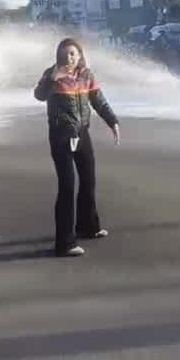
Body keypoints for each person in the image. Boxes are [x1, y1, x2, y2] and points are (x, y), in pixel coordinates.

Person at [34, 38, 120, 257]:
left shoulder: (87, 75)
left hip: (82, 135)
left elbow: (98, 101)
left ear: (80, 55)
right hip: (60, 136)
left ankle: (88, 227)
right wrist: (51, 79)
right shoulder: (51, 74)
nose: (68, 58)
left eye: (72, 53)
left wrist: (113, 122)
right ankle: (65, 243)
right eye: (64, 54)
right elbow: (39, 95)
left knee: (89, 180)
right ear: (58, 56)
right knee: (67, 186)